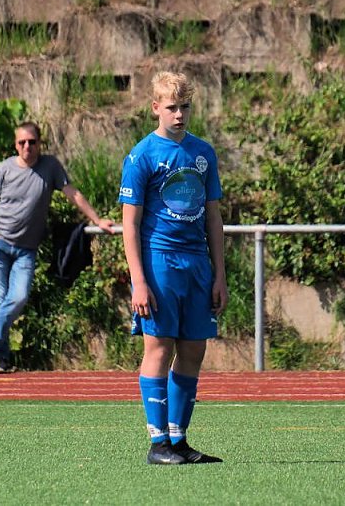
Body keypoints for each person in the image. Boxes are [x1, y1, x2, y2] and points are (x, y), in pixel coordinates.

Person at [119, 71, 228, 465]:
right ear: (155, 109)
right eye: (171, 108)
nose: (179, 114)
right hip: (160, 261)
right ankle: (158, 443)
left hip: (196, 263)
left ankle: (179, 440)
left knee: (194, 348)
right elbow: (130, 224)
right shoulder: (142, 156)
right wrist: (138, 281)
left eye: (185, 107)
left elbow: (213, 217)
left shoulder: (203, 153)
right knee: (160, 346)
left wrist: (220, 274)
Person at [0, 121, 116, 374]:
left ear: (40, 143)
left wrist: (97, 220)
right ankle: (1, 359)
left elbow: (73, 194)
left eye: (32, 141)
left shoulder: (50, 166)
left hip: (26, 249)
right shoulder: (4, 168)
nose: (27, 146)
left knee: (19, 297)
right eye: (22, 142)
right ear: (16, 145)